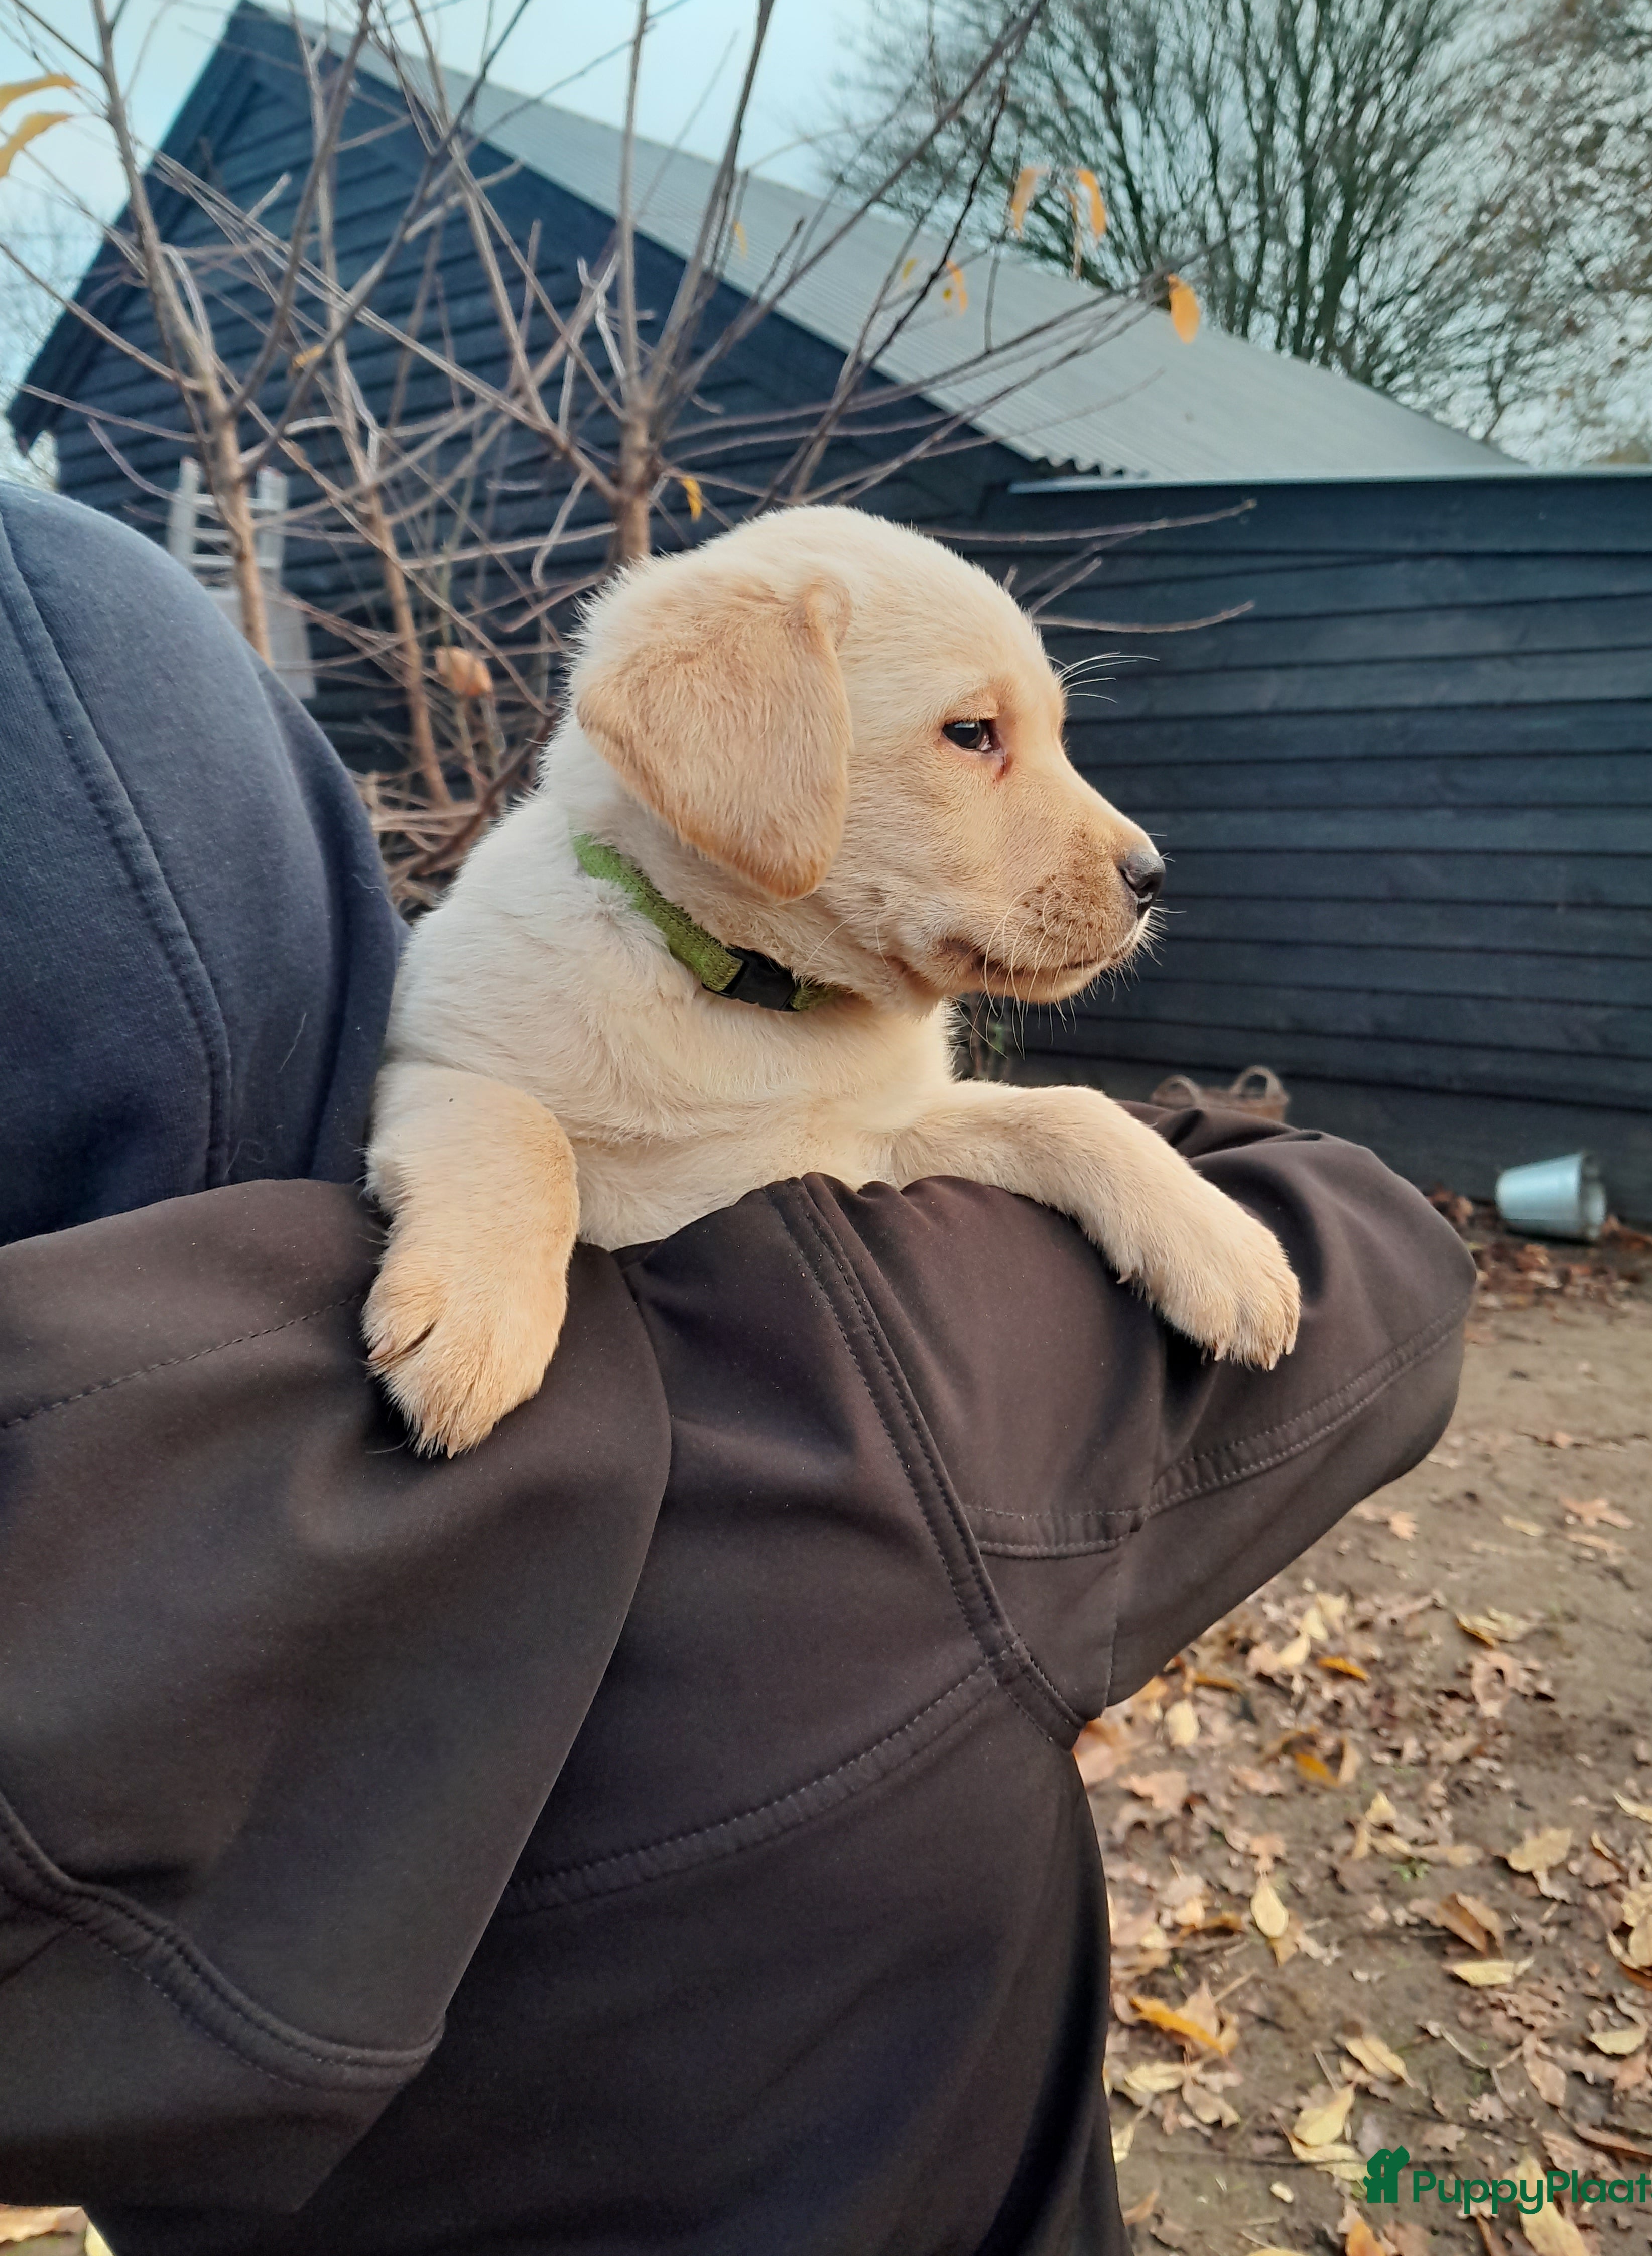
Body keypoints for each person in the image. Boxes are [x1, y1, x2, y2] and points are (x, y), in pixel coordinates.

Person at [0, 484, 1476, 2256]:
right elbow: (459, 1088)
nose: (1111, 835)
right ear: (734, 750)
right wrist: (505, 1182)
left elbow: (915, 1128)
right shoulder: (531, 980)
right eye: (975, 742)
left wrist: (1090, 1145)